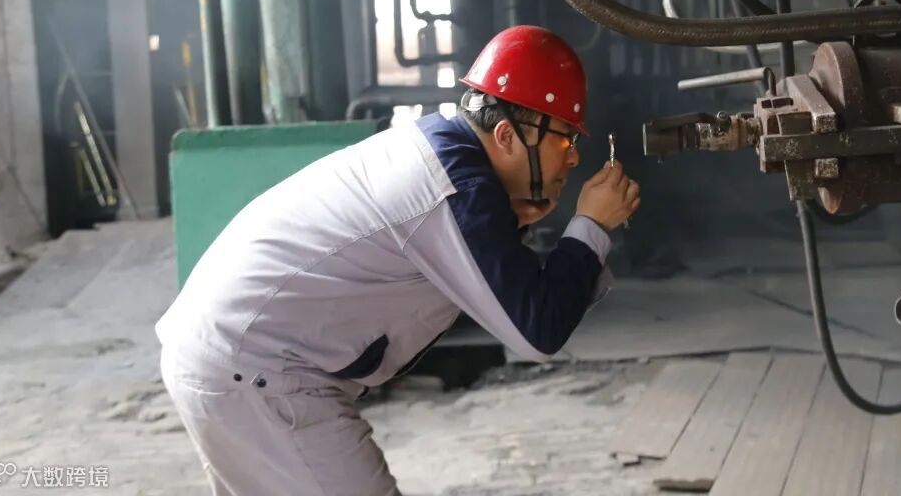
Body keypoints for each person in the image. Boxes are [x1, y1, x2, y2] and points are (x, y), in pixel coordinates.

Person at [156, 25, 641, 495]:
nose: (572, 158)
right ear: (508, 136)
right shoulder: (458, 189)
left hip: (222, 353)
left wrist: (510, 223)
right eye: (564, 139)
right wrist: (591, 225)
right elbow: (537, 331)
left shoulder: (439, 148)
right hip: (259, 373)